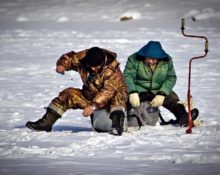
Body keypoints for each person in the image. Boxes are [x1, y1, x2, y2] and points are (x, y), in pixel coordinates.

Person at [26, 47, 128, 136]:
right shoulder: (83, 58)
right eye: (91, 66)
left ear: (103, 62)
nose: (93, 69)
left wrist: (93, 106)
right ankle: (46, 123)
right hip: (90, 96)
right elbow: (70, 58)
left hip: (110, 100)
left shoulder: (113, 71)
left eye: (96, 67)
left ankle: (117, 125)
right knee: (68, 94)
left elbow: (107, 92)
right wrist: (62, 65)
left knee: (117, 96)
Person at [123, 41, 199, 127]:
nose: (151, 61)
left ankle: (184, 117)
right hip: (139, 88)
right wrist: (132, 91)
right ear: (144, 55)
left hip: (158, 89)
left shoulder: (167, 60)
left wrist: (162, 93)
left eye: (154, 59)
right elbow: (127, 76)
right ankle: (124, 118)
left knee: (172, 98)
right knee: (128, 100)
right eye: (149, 58)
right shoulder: (133, 59)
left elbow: (171, 77)